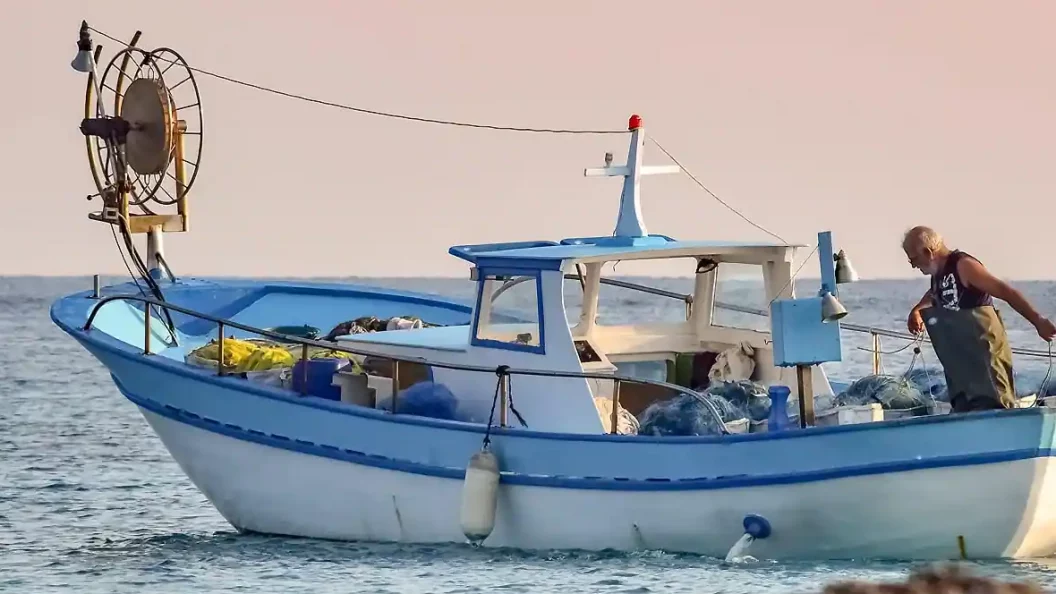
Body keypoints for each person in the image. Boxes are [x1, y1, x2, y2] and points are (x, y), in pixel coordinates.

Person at [902, 226, 1055, 412]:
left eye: (913, 259)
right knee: (963, 406)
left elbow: (1005, 291)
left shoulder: (964, 266)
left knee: (995, 402)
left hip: (984, 355)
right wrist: (918, 310)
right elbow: (935, 292)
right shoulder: (938, 276)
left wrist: (1038, 321)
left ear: (928, 252)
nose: (913, 266)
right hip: (961, 360)